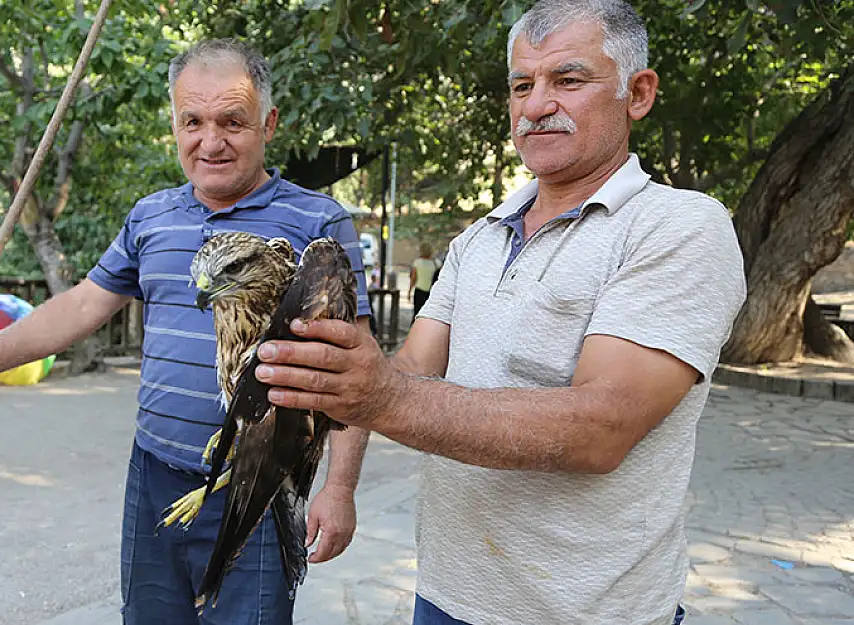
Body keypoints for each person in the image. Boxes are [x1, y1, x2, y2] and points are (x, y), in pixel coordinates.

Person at [250, 2, 747, 624]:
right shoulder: (480, 239)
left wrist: (383, 397)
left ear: (637, 93)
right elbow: (403, 368)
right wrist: (341, 481)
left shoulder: (679, 226)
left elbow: (602, 428)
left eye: (567, 80)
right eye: (521, 85)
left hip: (590, 613)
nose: (536, 106)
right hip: (447, 594)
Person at [0, 39, 372, 624]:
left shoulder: (318, 223)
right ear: (175, 125)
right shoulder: (151, 216)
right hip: (154, 471)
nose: (211, 141)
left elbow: (351, 367)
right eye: (193, 121)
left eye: (233, 121)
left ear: (268, 123)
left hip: (259, 479)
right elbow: (83, 305)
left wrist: (338, 489)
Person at [408, 242, 439, 318]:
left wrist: (409, 291)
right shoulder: (437, 263)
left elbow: (413, 279)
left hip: (419, 292)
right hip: (432, 293)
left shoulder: (417, 263)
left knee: (417, 315)